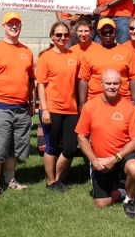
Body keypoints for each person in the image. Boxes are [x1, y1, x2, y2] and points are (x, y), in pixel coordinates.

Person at [0, 11, 35, 198]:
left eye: (17, 23)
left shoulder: (26, 51)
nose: (14, 26)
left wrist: (32, 102)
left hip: (20, 108)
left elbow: (30, 81)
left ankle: (9, 179)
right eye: (10, 23)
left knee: (14, 146)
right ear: (3, 26)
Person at [75, 69, 135, 218]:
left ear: (121, 85)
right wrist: (94, 160)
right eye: (108, 83)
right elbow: (81, 136)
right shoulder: (90, 106)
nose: (112, 86)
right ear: (101, 84)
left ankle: (130, 200)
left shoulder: (129, 107)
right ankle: (123, 190)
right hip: (101, 160)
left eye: (115, 83)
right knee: (102, 203)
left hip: (122, 156)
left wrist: (115, 158)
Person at [37, 21, 80, 191]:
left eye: (66, 35)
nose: (62, 38)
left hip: (71, 109)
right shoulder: (45, 57)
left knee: (70, 148)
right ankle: (51, 181)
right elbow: (40, 84)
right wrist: (45, 109)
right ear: (52, 37)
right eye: (59, 35)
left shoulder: (74, 56)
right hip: (51, 108)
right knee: (51, 146)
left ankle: (58, 178)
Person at [78, 18, 135, 106]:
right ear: (99, 33)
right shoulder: (89, 53)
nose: (108, 35)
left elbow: (134, 78)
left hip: (122, 100)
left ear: (115, 32)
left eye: (110, 31)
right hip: (95, 101)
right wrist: (82, 104)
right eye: (104, 32)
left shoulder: (127, 52)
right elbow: (83, 79)